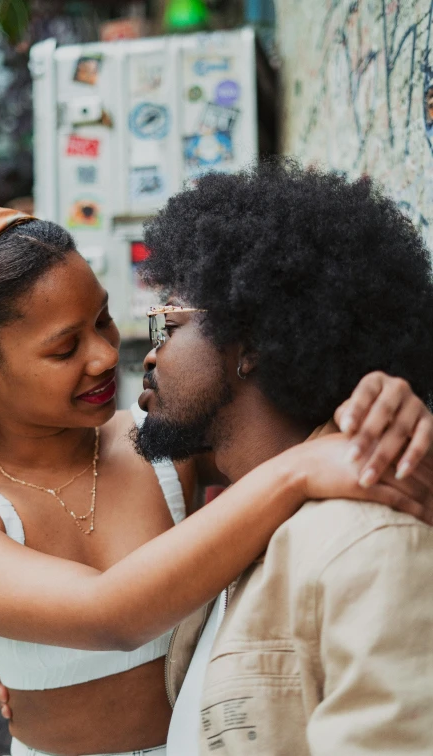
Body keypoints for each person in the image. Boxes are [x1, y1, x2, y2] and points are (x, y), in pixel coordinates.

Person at [0, 204, 431, 756]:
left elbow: (290, 424)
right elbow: (107, 615)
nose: (106, 356)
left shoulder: (162, 443)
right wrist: (295, 474)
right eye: (64, 347)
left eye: (102, 319)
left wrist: (384, 407)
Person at [124, 159, 433, 754]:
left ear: (253, 345)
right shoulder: (241, 523)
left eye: (169, 324)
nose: (151, 358)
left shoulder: (366, 542)